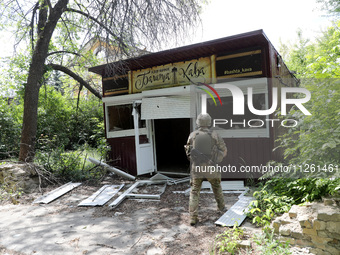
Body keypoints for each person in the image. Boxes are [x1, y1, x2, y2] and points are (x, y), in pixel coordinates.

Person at [184, 113, 227, 226]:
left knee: (194, 191)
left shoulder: (193, 135)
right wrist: (217, 158)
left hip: (196, 167)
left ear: (198, 123)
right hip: (211, 167)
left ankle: (193, 218)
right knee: (216, 187)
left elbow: (188, 151)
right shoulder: (214, 135)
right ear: (209, 122)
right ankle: (221, 208)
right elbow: (224, 151)